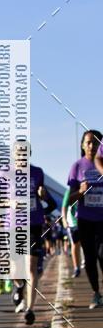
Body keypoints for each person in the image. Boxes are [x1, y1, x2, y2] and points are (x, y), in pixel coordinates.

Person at [11, 146, 55, 325]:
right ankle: (20, 286)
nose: (21, 156)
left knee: (31, 265)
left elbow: (48, 202)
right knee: (15, 268)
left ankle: (30, 309)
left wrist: (43, 197)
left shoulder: (37, 172)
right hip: (13, 225)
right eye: (18, 153)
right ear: (13, 155)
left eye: (24, 152)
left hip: (33, 224)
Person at [68, 130, 103, 308]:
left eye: (96, 142)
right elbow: (69, 200)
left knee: (102, 254)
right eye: (88, 142)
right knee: (90, 259)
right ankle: (96, 293)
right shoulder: (77, 167)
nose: (92, 146)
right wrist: (80, 192)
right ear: (83, 145)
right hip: (85, 219)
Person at [61, 186, 81, 277]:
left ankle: (86, 262)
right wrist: (64, 220)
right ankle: (77, 267)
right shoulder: (69, 191)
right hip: (73, 223)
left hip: (86, 220)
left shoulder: (89, 187)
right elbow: (64, 207)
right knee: (75, 244)